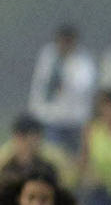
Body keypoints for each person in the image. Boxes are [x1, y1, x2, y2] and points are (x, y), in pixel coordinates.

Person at [0, 112, 75, 205]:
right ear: (17, 137)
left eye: (35, 137)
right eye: (24, 138)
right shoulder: (4, 161)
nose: (30, 143)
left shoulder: (50, 161)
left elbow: (67, 183)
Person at [28, 23, 97, 155]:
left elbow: (84, 86)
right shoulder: (48, 56)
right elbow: (40, 85)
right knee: (53, 154)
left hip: (75, 119)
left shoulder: (83, 60)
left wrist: (66, 76)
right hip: (50, 117)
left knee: (74, 155)